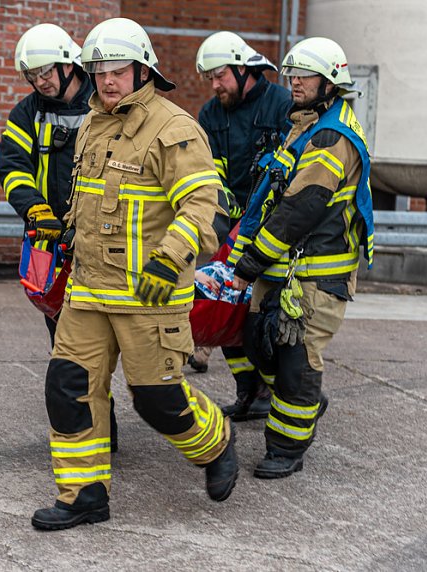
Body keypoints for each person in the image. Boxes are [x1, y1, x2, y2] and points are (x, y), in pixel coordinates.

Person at [30, 17, 238, 531]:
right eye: (98, 71)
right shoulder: (92, 124)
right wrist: (66, 235)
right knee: (69, 387)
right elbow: (89, 202)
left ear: (143, 69)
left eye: (117, 71)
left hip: (150, 295)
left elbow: (201, 206)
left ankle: (216, 444)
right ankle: (84, 496)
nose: (106, 81)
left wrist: (170, 258)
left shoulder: (174, 128)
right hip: (89, 292)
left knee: (157, 399)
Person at [230, 37, 375, 479]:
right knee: (259, 342)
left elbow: (300, 209)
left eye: (305, 75)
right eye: (291, 73)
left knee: (295, 360)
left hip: (315, 278)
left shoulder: (331, 136)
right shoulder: (308, 123)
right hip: (288, 270)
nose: (294, 81)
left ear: (329, 81)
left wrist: (249, 264)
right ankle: (307, 403)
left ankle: (286, 448)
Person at [0, 23, 118, 451]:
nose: (40, 81)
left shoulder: (104, 103)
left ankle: (101, 418)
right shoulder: (27, 112)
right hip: (51, 243)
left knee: (110, 336)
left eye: (46, 70)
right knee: (64, 338)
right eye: (32, 75)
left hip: (103, 240)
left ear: (69, 63)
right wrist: (35, 210)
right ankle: (97, 426)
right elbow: (13, 168)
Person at [192, 31, 293, 422]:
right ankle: (248, 392)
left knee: (263, 319)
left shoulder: (282, 105)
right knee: (225, 311)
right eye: (210, 79)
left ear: (243, 68)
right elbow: (210, 176)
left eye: (220, 76)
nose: (215, 85)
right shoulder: (210, 115)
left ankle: (281, 392)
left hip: (272, 232)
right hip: (230, 230)